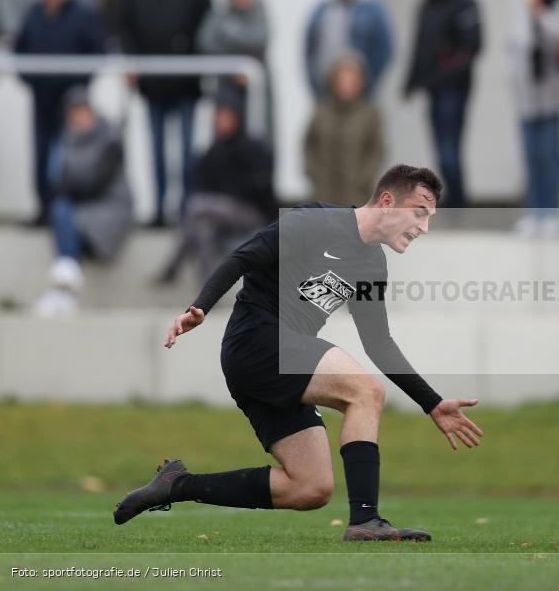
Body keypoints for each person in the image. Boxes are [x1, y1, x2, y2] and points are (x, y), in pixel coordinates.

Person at [113, 165, 483, 542]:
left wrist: (432, 404)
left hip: (283, 361)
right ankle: (366, 520)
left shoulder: (372, 264)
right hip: (256, 342)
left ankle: (178, 485)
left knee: (310, 488)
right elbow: (242, 258)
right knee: (365, 392)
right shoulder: (316, 221)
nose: (423, 227)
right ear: (387, 202)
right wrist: (200, 307)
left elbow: (378, 343)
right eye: (419, 213)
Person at [157, 92, 275, 285]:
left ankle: (172, 267)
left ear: (238, 118)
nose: (222, 122)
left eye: (226, 117)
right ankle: (207, 292)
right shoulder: (213, 151)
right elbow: (204, 185)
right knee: (202, 229)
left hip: (252, 214)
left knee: (198, 206)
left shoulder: (254, 148)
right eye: (218, 117)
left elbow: (259, 189)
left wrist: (228, 195)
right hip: (217, 216)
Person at [35, 87, 133, 316]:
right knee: (61, 210)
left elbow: (91, 183)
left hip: (109, 210)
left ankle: (66, 282)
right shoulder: (65, 141)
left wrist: (69, 185)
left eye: (84, 111)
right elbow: (58, 183)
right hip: (82, 209)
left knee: (61, 212)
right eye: (75, 112)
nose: (80, 117)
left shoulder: (110, 140)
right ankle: (65, 286)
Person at [13, 0, 106, 226]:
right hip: (42, 98)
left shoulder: (84, 12)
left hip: (71, 104)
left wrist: (78, 88)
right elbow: (19, 50)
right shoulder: (34, 11)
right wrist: (32, 79)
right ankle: (44, 208)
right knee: (42, 154)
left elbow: (97, 51)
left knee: (67, 156)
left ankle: (64, 211)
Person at [119, 0, 212, 227]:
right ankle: (160, 209)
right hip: (154, 86)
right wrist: (132, 61)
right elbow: (124, 27)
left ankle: (188, 210)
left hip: (187, 85)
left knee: (187, 154)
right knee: (157, 151)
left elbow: (207, 28)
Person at [405, 0, 483, 209]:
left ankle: (458, 200)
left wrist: (446, 72)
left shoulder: (464, 3)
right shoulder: (426, 5)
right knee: (441, 147)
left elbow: (473, 45)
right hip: (434, 89)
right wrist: (410, 82)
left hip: (455, 89)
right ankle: (453, 197)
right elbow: (419, 46)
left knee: (450, 148)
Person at [507, 0, 559, 236]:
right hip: (526, 96)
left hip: (553, 97)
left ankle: (553, 213)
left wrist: (540, 13)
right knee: (531, 157)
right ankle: (534, 213)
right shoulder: (518, 1)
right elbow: (514, 44)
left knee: (550, 157)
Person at [303, 53, 384, 208]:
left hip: (357, 194)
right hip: (323, 193)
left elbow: (376, 150)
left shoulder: (369, 114)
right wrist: (313, 172)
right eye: (342, 81)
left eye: (352, 81)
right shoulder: (321, 111)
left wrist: (364, 177)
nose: (346, 86)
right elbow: (309, 144)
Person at [197, 0, 272, 138]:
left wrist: (226, 31)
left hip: (255, 91)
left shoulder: (259, 10)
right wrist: (235, 64)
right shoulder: (220, 11)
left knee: (260, 138)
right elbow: (206, 43)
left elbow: (259, 40)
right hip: (226, 88)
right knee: (225, 136)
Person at [304, 0, 393, 99]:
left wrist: (368, 81)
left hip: (361, 96)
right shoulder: (322, 10)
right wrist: (315, 84)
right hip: (325, 93)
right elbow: (310, 51)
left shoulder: (372, 11)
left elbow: (384, 50)